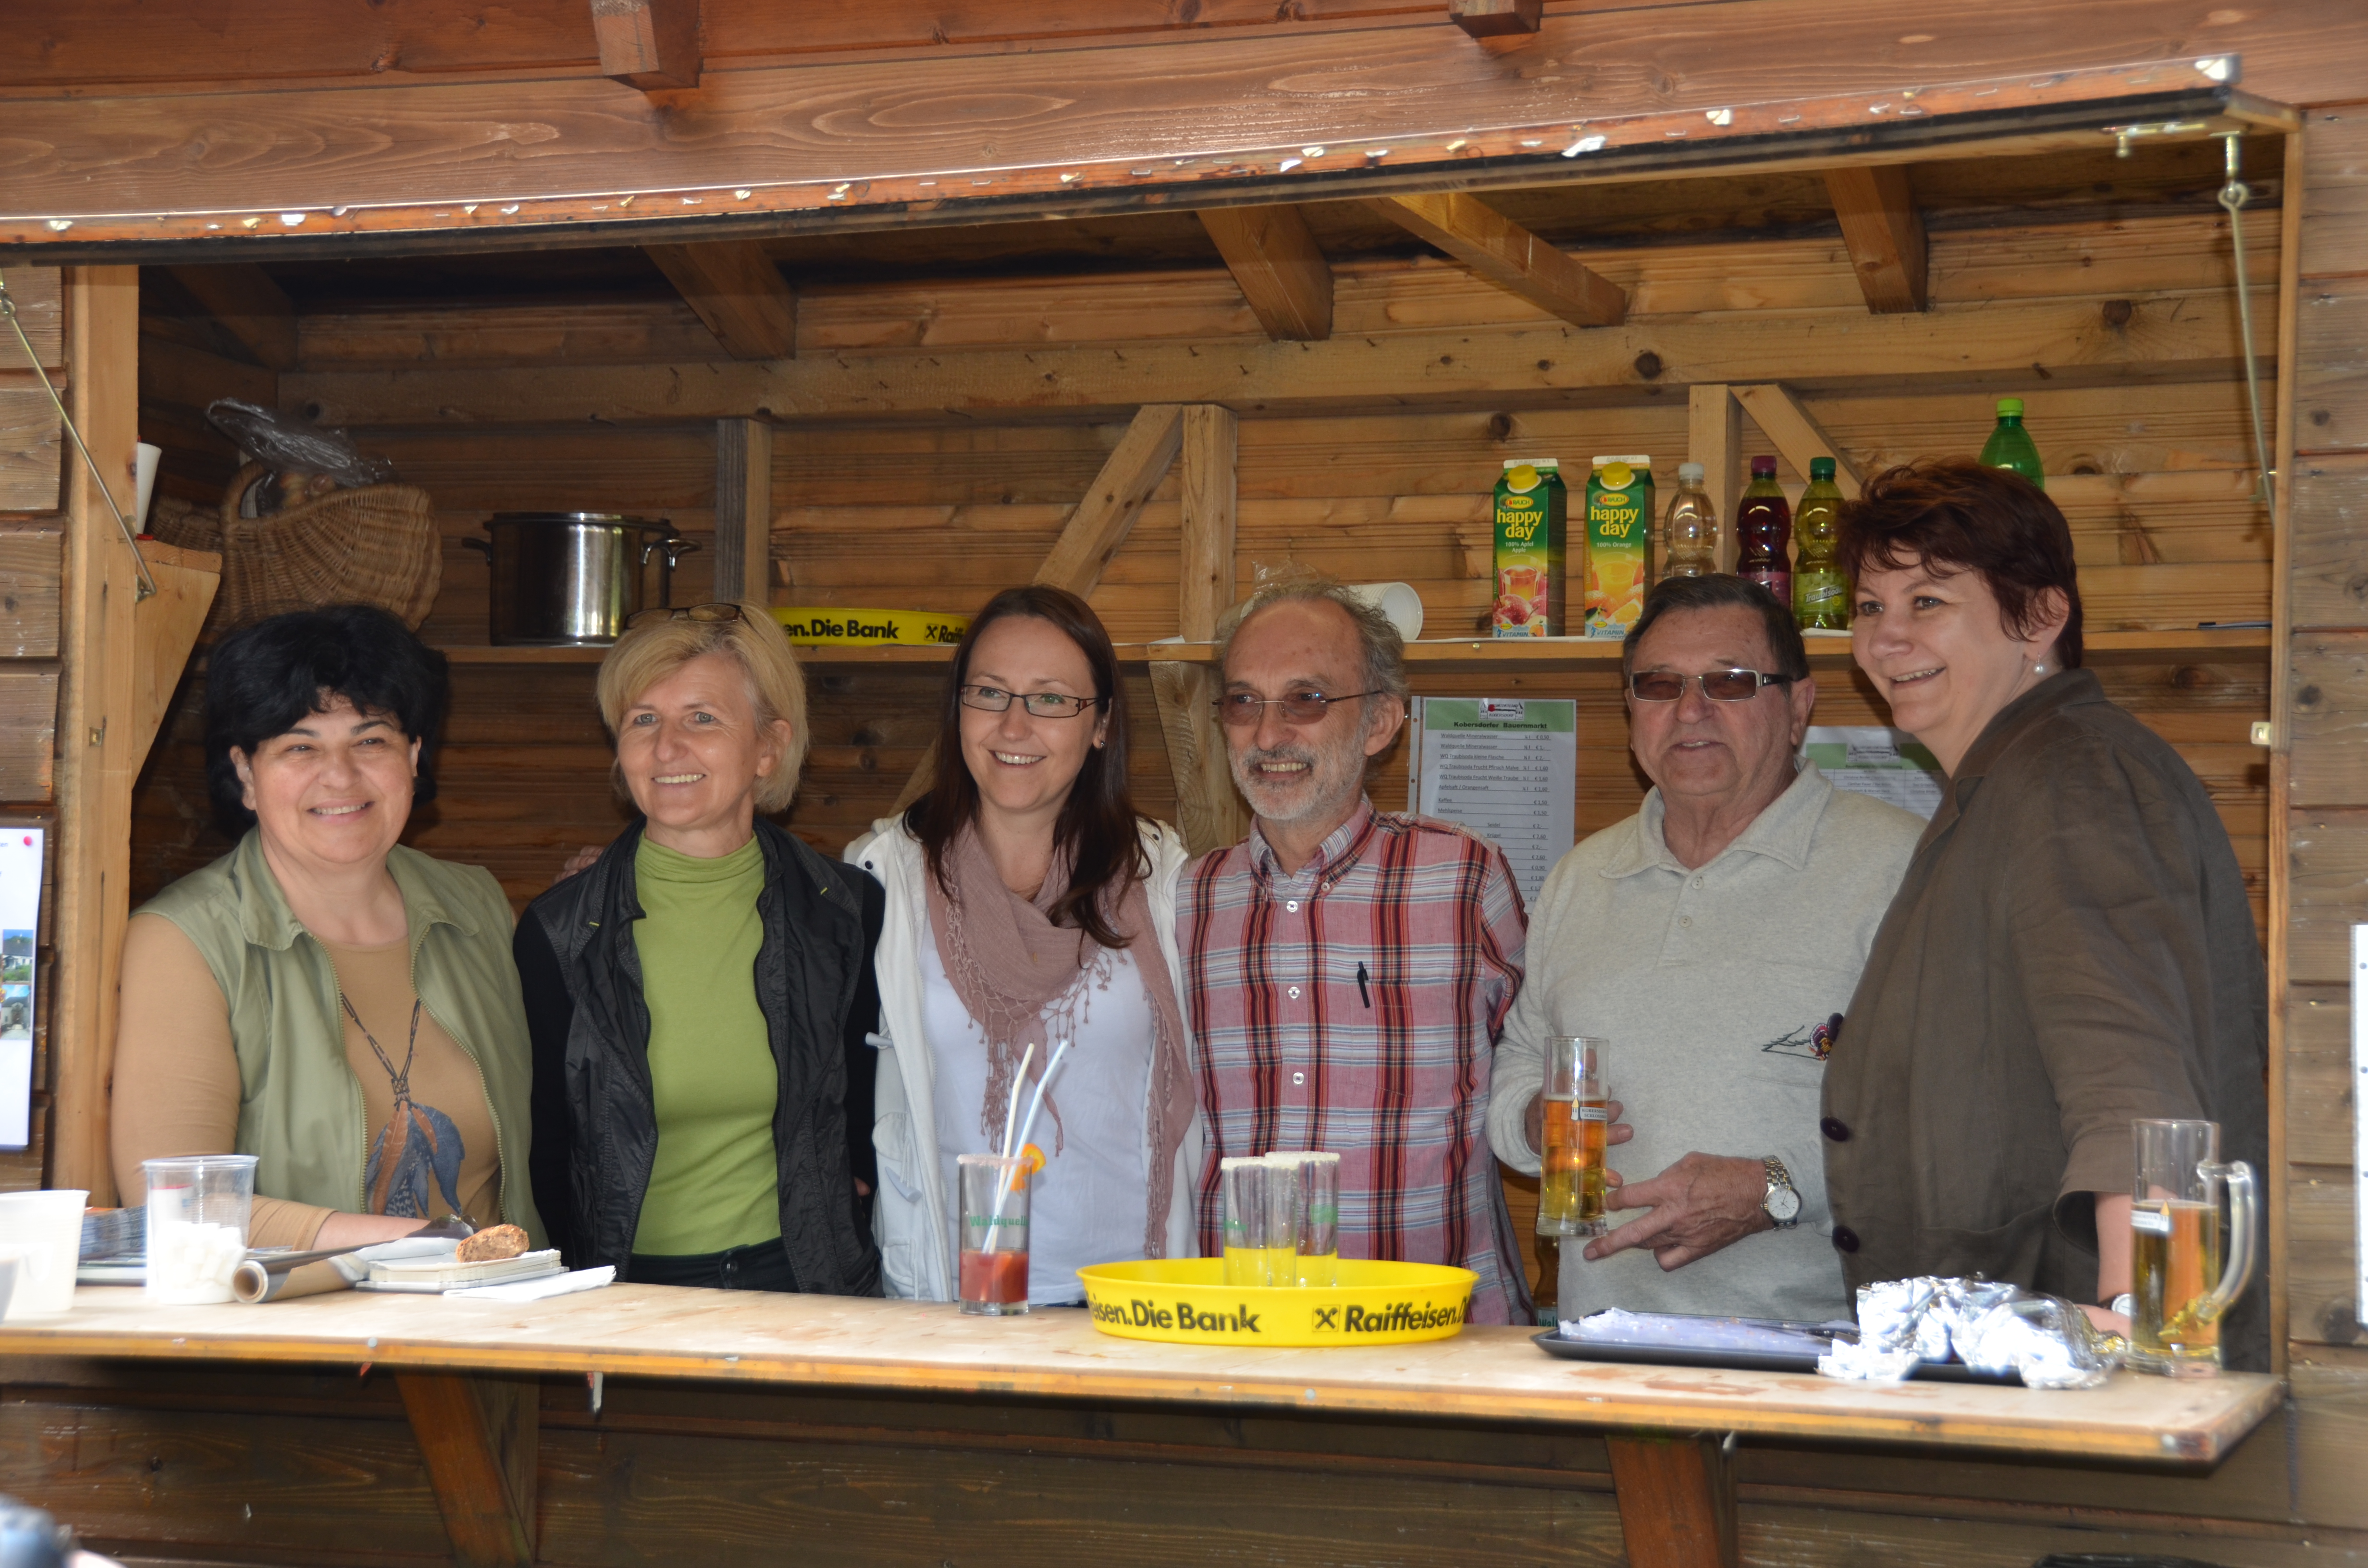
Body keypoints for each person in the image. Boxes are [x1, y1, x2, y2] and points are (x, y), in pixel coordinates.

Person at [1825, 459, 2269, 1366]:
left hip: (2070, 1385)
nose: (1886, 639)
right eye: (1870, 608)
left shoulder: (2070, 777)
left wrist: (2152, 1338)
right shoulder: (2008, 779)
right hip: (1999, 1367)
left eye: (1929, 602)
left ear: (2041, 616)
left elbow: (2139, 1097)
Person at [1487, 575, 1923, 1324]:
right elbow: (1523, 1060)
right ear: (1631, 709)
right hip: (1601, 1348)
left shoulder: (1900, 868)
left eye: (1730, 683)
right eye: (1660, 685)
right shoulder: (1582, 877)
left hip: (1827, 1360)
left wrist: (1777, 1191)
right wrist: (1530, 1122)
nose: (1691, 711)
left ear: (1799, 708)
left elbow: (1949, 1124)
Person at [113, 606, 543, 1251]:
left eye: (370, 741)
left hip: (498, 1326)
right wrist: (429, 1246)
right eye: (299, 747)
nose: (340, 775)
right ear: (245, 774)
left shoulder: (476, 905)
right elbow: (176, 1203)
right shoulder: (182, 940)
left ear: (415, 755)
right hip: (297, 1335)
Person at [1181, 573, 1529, 1323]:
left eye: (1305, 700)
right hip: (1241, 1334)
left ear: (1380, 724)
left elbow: (1539, 1067)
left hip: (1439, 1339)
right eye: (1244, 702)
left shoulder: (1466, 879)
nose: (1268, 736)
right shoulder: (1184, 901)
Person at [515, 602, 884, 1294]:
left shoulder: (844, 911)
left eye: (702, 718)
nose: (666, 747)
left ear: (769, 748)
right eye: (643, 720)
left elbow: (868, 1108)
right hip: (627, 1292)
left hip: (806, 1285)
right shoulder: (560, 931)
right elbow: (547, 1148)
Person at [849, 587, 1197, 1304]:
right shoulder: (883, 877)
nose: (1014, 724)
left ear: (1100, 724)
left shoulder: (1162, 877)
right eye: (990, 693)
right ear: (959, 710)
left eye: (1050, 700)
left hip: (1132, 1299)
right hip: (950, 1301)